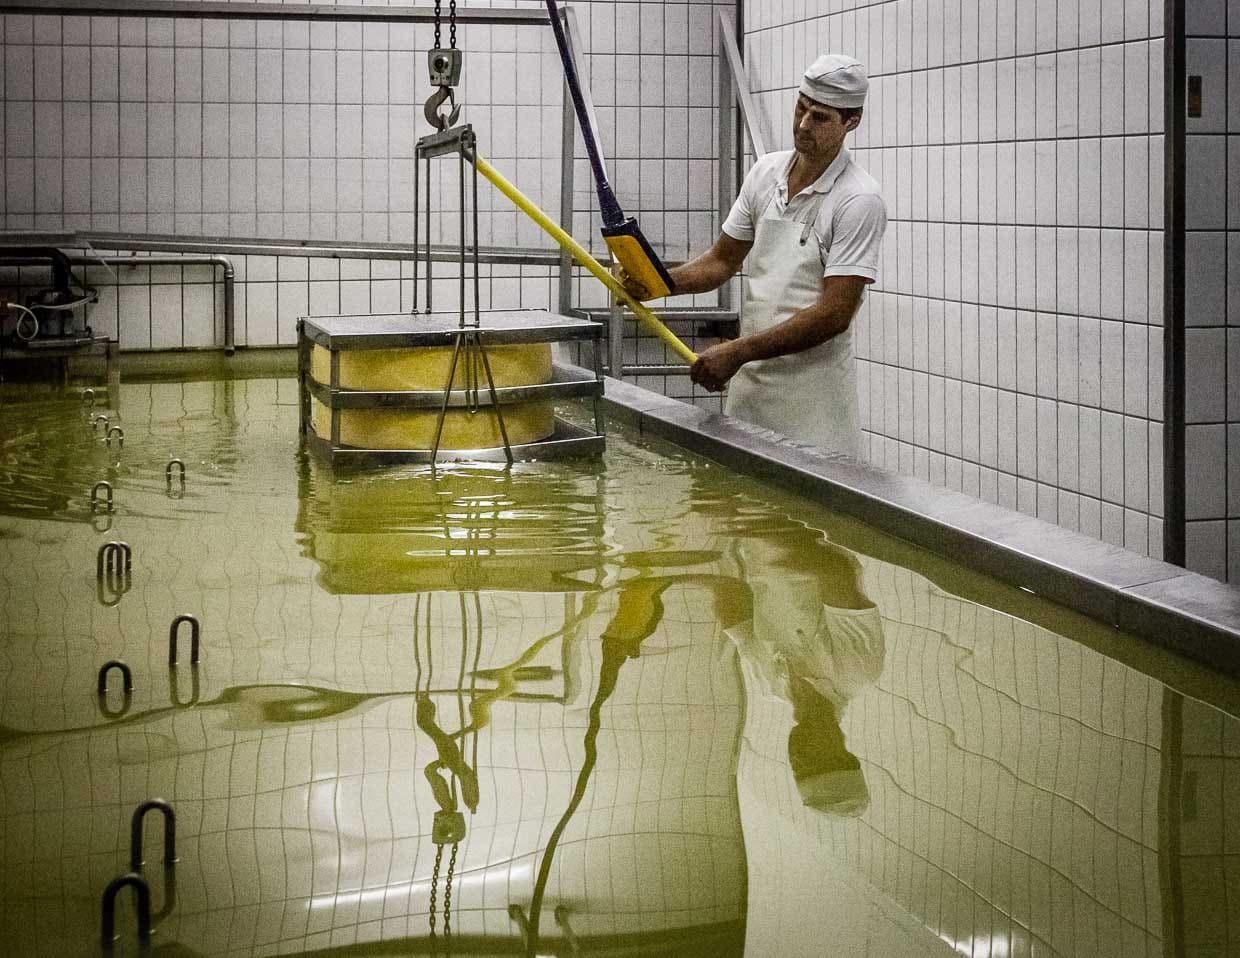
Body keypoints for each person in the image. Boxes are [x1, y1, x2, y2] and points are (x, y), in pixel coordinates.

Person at [618, 54, 887, 456]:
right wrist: (658, 283)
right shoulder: (766, 173)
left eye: (820, 117)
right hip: (750, 391)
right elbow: (723, 260)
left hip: (813, 403)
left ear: (852, 121)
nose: (802, 125)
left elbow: (834, 314)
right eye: (801, 108)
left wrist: (739, 350)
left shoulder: (858, 200)